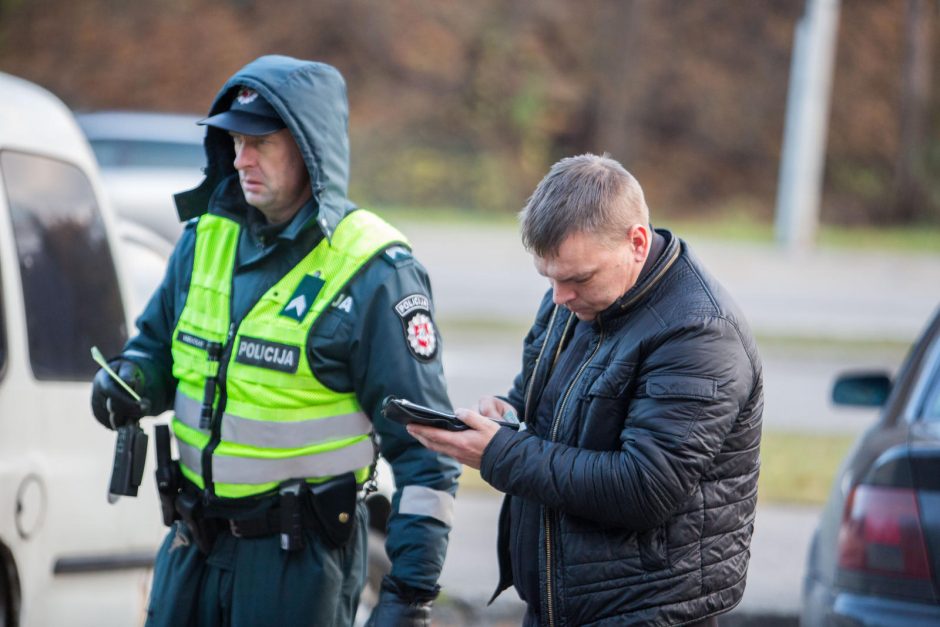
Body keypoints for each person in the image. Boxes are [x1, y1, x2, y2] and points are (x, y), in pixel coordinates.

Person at [90, 55, 460, 627]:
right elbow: (155, 349)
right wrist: (131, 380)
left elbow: (429, 457)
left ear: (311, 148)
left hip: (298, 564)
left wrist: (409, 596)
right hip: (192, 546)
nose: (241, 158)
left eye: (260, 141)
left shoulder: (375, 271)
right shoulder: (204, 238)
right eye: (234, 141)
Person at [408, 154, 763, 626]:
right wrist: (508, 413)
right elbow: (539, 395)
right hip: (564, 602)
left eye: (577, 278)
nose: (558, 297)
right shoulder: (576, 296)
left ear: (637, 242)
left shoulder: (700, 333)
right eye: (548, 277)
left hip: (648, 611)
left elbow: (645, 488)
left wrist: (500, 453)